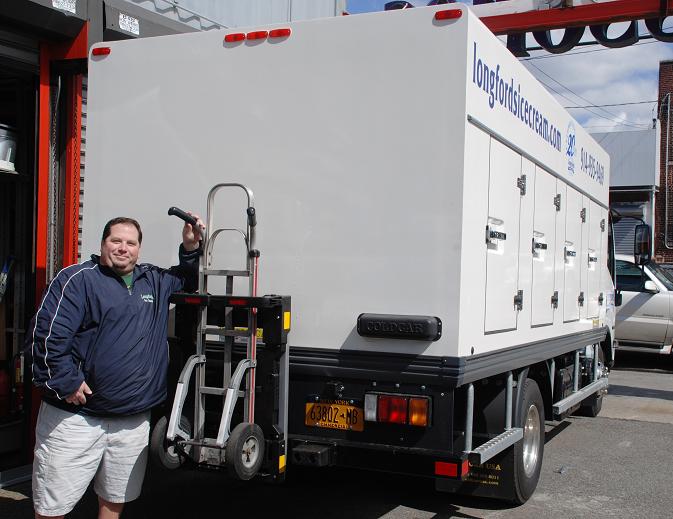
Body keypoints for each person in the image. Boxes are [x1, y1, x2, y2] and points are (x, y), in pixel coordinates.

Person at [28, 213, 204, 519]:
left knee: (113, 500)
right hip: (77, 419)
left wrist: (189, 247)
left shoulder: (153, 280)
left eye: (131, 243)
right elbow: (45, 337)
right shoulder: (77, 280)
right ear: (102, 244)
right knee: (53, 505)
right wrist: (66, 381)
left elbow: (188, 279)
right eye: (116, 241)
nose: (123, 248)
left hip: (132, 421)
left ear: (139, 248)